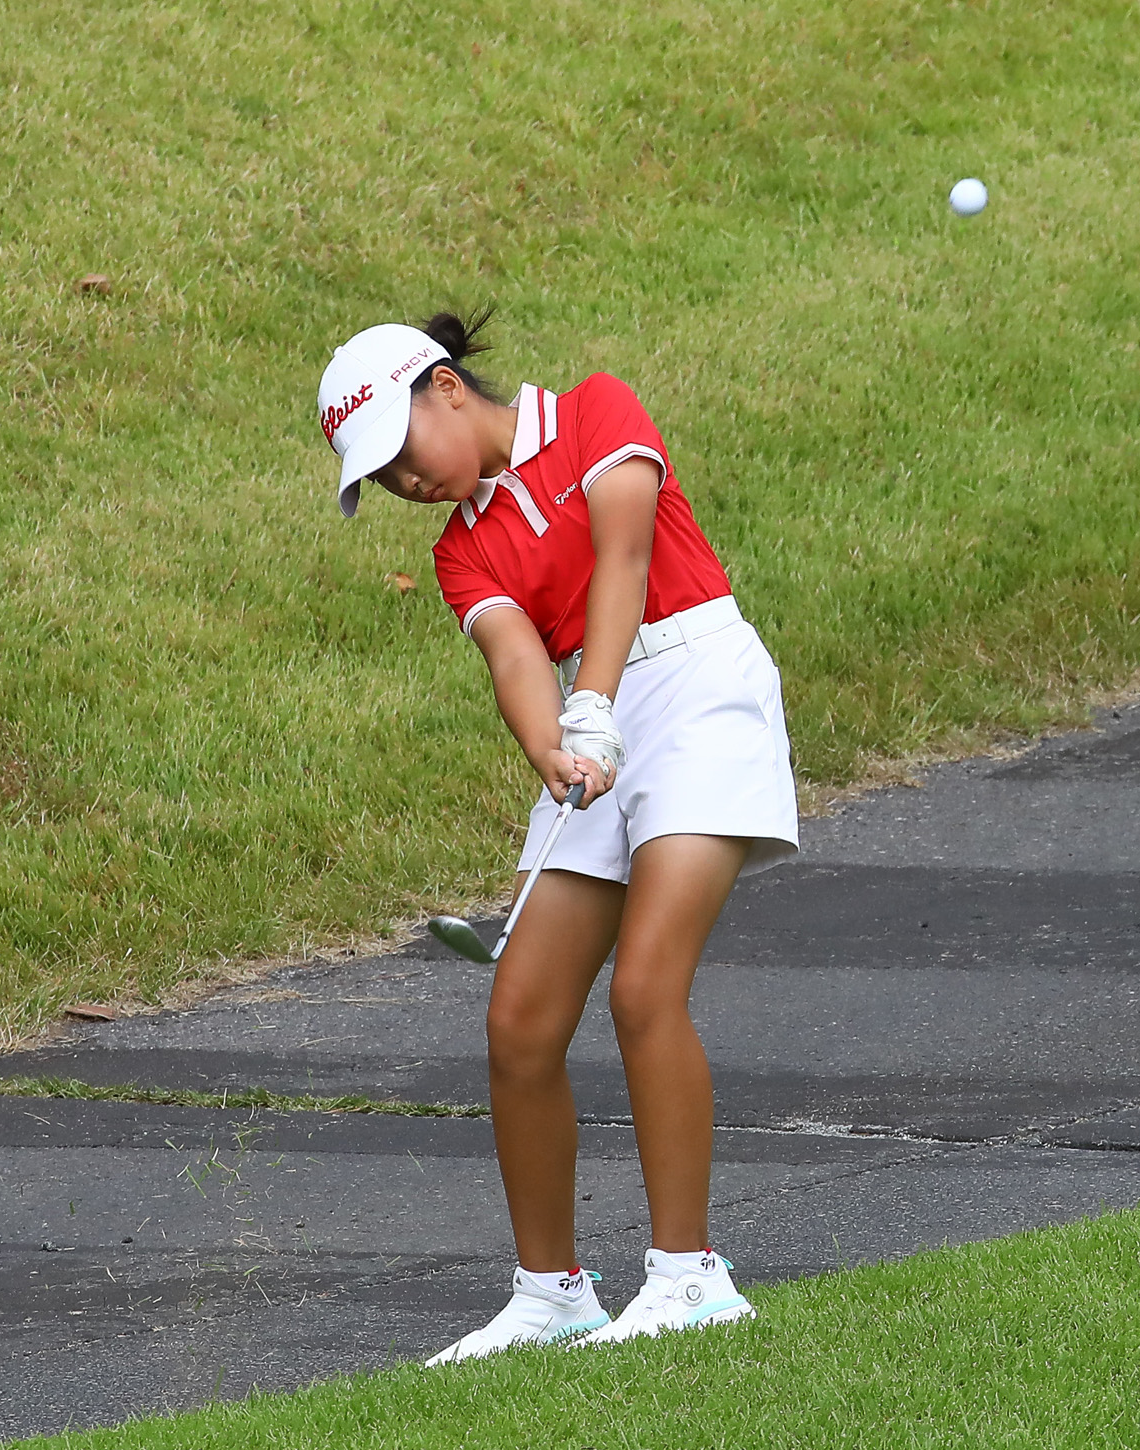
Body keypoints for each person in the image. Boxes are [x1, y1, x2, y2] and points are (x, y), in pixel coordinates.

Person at [315, 311, 799, 1363]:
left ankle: (690, 1277)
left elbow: (623, 556)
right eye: (382, 479)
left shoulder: (593, 411)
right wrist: (554, 746)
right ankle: (552, 1295)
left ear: (445, 388)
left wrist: (595, 701)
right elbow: (512, 657)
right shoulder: (462, 551)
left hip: (696, 682)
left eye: (400, 454)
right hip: (593, 721)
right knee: (520, 1019)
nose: (405, 484)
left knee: (642, 987)